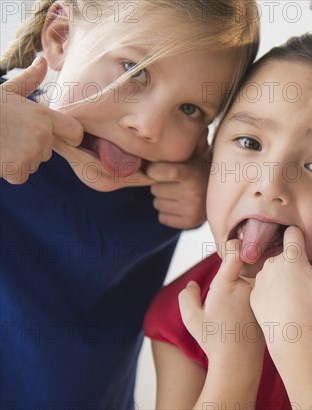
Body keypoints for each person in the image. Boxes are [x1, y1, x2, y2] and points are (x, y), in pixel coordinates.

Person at [0, 0, 259, 407]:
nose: (148, 127)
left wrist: (216, 194)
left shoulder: (172, 188)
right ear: (60, 37)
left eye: (190, 110)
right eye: (134, 71)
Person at [143, 34, 312, 410]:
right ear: (212, 156)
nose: (270, 185)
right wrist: (233, 366)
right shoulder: (181, 315)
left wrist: (295, 335)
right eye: (249, 143)